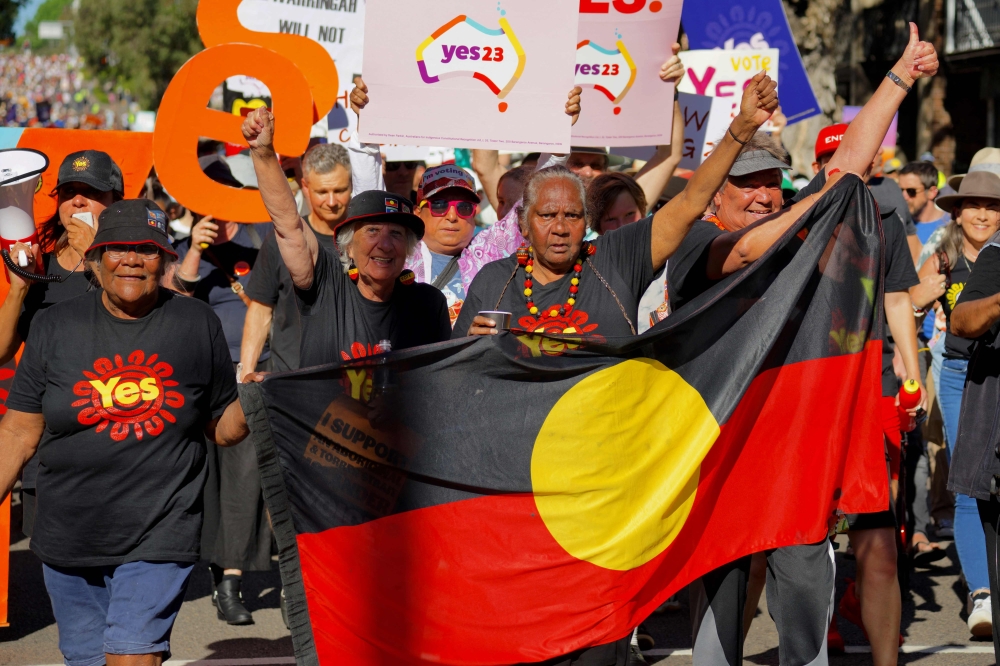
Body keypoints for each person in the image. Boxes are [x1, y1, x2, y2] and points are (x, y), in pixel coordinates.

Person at [455, 68, 778, 666]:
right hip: (520, 495)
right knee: (529, 644)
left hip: (603, 494)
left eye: (571, 217)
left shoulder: (617, 260)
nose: (559, 228)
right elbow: (455, 388)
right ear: (524, 224)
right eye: (547, 217)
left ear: (588, 222)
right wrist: (472, 348)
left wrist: (736, 131)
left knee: (600, 647)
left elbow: (688, 203)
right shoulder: (494, 282)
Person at [666, 25, 937, 666]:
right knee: (722, 605)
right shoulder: (694, 245)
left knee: (805, 594)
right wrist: (810, 204)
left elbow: (844, 169)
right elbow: (751, 250)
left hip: (791, 451)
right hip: (721, 447)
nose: (763, 194)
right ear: (714, 201)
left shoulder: (792, 227)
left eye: (771, 182)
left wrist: (898, 79)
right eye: (746, 185)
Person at [0, 199, 248, 666]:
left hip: (159, 529)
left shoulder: (196, 324)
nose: (131, 259)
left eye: (147, 250)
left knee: (131, 657)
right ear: (95, 260)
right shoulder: (54, 326)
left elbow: (220, 426)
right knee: (87, 661)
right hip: (67, 534)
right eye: (117, 249)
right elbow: (17, 432)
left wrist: (253, 403)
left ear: (165, 260)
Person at [347, 81, 586, 325]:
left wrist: (558, 134)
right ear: (419, 212)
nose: (452, 216)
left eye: (463, 207)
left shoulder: (492, 248)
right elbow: (371, 204)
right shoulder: (398, 250)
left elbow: (539, 197)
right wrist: (365, 128)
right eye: (439, 205)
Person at [242, 107, 451, 368]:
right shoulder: (325, 286)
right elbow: (289, 225)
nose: (384, 245)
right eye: (372, 231)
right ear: (348, 247)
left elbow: (440, 379)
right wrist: (263, 154)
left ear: (409, 249)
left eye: (396, 234)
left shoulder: (428, 304)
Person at [0, 149, 124, 540]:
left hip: (116, 455)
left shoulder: (134, 266)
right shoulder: (43, 269)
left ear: (116, 203)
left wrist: (95, 260)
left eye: (92, 191)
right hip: (48, 460)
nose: (78, 201)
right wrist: (19, 289)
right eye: (68, 191)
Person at [172, 155, 273, 626]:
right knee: (209, 484)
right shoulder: (179, 248)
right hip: (202, 379)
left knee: (244, 480)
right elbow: (175, 297)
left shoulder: (260, 240)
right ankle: (222, 576)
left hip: (256, 375)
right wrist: (194, 249)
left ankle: (232, 579)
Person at [918, 171, 1000, 638]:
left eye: (992, 206)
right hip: (957, 373)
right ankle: (982, 595)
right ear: (957, 211)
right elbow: (903, 302)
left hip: (998, 374)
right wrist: (920, 299)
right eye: (974, 205)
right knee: (969, 478)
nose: (983, 214)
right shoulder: (943, 256)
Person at [471, 43, 686, 215]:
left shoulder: (622, 212)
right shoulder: (525, 206)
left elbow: (668, 156)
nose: (587, 172)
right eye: (577, 163)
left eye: (596, 165)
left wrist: (668, 90)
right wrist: (494, 76)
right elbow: (485, 165)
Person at [242, 143, 351, 375]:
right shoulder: (281, 240)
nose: (332, 202)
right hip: (288, 375)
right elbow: (260, 309)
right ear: (305, 186)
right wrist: (245, 374)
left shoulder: (365, 240)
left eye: (340, 190)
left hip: (349, 377)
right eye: (322, 192)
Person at [899, 161, 949, 246]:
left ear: (931, 192)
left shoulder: (951, 226)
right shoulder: (898, 224)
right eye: (900, 190)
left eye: (911, 191)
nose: (904, 196)